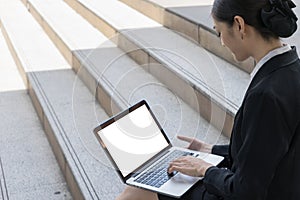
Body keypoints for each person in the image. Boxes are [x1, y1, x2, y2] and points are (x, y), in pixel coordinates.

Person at [116, 0, 300, 199]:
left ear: (239, 25)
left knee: (137, 190)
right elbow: (264, 152)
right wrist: (210, 150)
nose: (221, 42)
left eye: (219, 32)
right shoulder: (290, 68)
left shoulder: (265, 95)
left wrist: (204, 169)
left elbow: (246, 191)